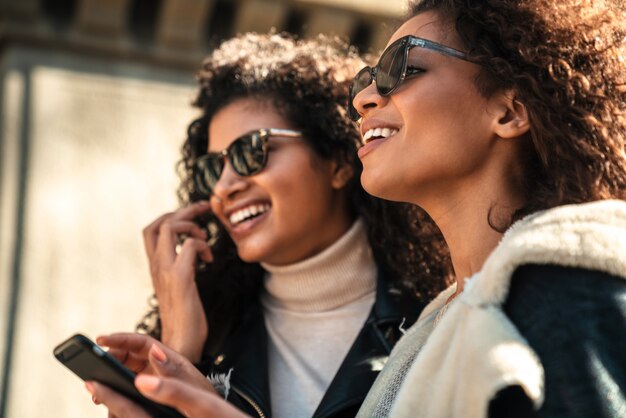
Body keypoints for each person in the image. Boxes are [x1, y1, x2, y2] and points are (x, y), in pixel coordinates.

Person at [85, 32, 452, 418]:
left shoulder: (438, 318)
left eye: (251, 151)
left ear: (338, 161)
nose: (224, 188)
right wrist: (177, 353)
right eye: (213, 169)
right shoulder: (211, 335)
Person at [348, 0, 626, 417]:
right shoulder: (432, 323)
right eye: (367, 79)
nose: (364, 99)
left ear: (509, 112)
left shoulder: (566, 285)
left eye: (401, 67)